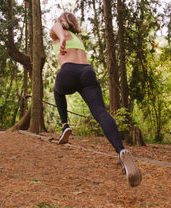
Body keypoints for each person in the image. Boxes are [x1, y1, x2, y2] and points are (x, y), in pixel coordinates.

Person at [49, 12, 142, 187]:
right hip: (87, 73)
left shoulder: (58, 32)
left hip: (68, 71)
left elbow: (56, 27)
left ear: (61, 22)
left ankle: (65, 125)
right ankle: (121, 151)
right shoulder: (78, 38)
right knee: (100, 112)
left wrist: (61, 39)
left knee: (57, 90)